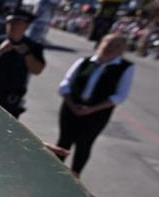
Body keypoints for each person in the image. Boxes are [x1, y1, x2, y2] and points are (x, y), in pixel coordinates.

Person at [55, 33, 135, 176]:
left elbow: (120, 95)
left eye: (116, 46)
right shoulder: (85, 62)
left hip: (97, 113)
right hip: (71, 107)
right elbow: (65, 84)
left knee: (84, 144)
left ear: (122, 50)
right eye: (108, 43)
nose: (110, 48)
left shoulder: (124, 67)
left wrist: (92, 109)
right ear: (100, 43)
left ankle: (75, 175)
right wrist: (72, 105)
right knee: (64, 141)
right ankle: (53, 173)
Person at [0, 8, 46, 118]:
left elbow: (37, 70)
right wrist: (0, 50)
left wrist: (27, 54)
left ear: (26, 25)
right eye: (9, 22)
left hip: (10, 101)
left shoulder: (33, 46)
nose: (11, 25)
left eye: (16, 22)